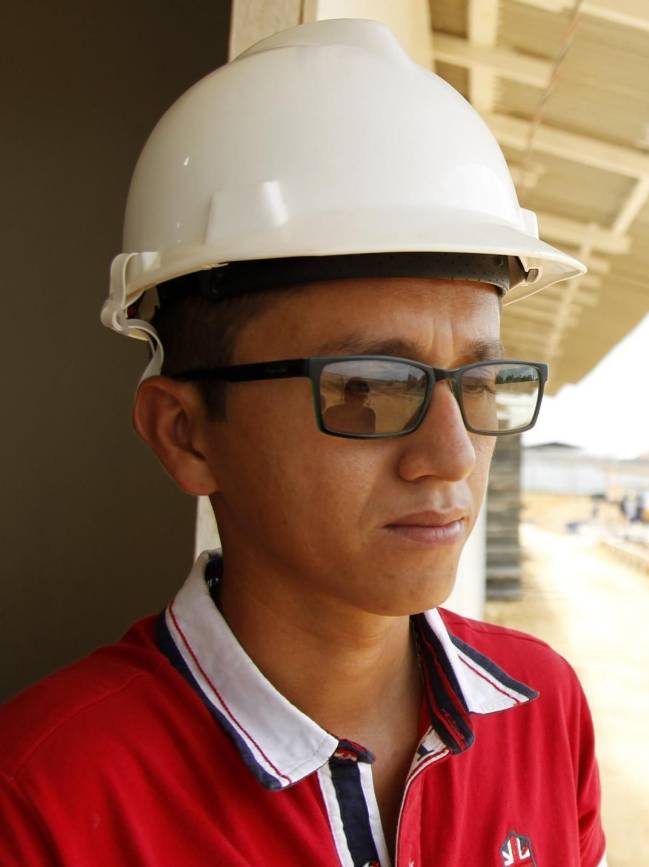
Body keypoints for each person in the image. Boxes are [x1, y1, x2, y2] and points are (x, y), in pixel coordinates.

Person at [0, 20, 606, 867]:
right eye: (367, 389)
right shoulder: (43, 803)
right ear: (185, 434)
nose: (453, 455)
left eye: (478, 382)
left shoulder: (543, 713)